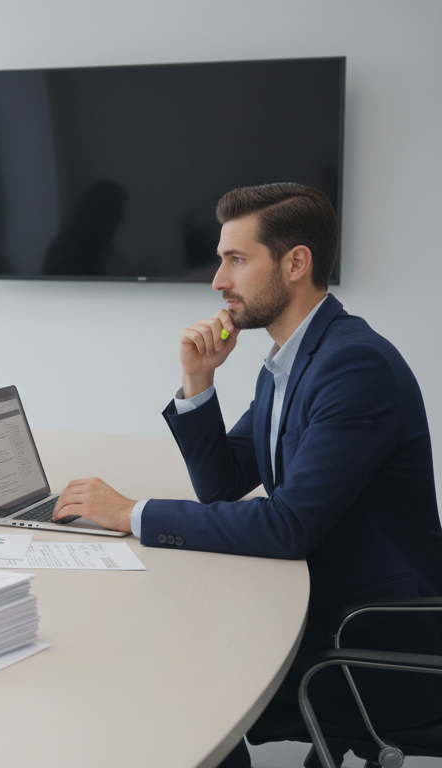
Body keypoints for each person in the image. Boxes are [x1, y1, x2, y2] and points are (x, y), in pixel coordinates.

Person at [50, 183, 442, 764]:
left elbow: (288, 527)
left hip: (371, 642)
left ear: (295, 264)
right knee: (181, 646)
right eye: (220, 259)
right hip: (326, 606)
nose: (217, 280)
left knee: (181, 677)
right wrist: (199, 382)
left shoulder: (353, 366)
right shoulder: (291, 361)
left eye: (236, 259)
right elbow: (225, 484)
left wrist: (130, 513)